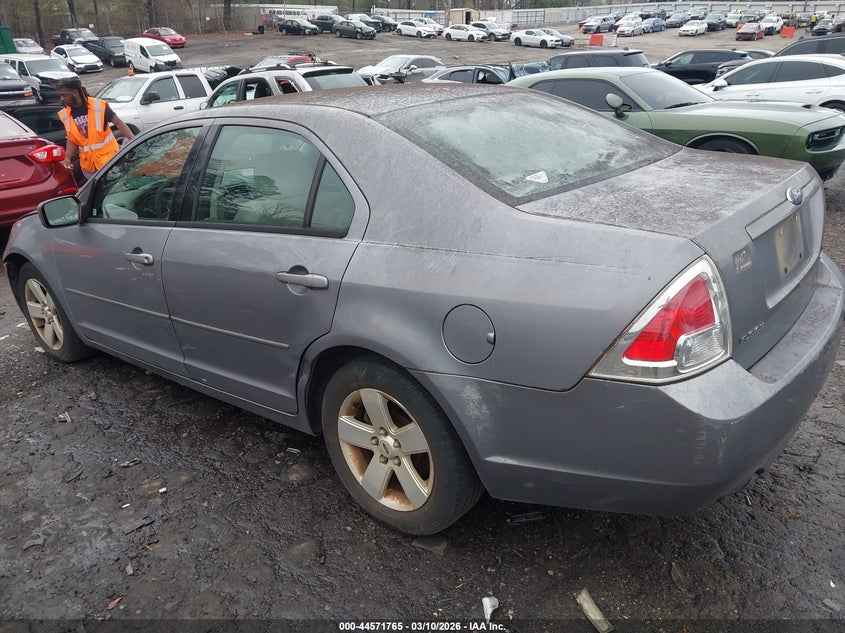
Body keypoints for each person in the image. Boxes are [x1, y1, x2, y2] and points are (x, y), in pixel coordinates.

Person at [56, 76, 134, 182]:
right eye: (60, 95)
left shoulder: (98, 106)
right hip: (88, 166)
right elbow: (72, 139)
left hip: (109, 162)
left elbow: (119, 123)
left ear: (74, 92)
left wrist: (133, 141)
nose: (62, 98)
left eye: (64, 95)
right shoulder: (65, 114)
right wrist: (67, 158)